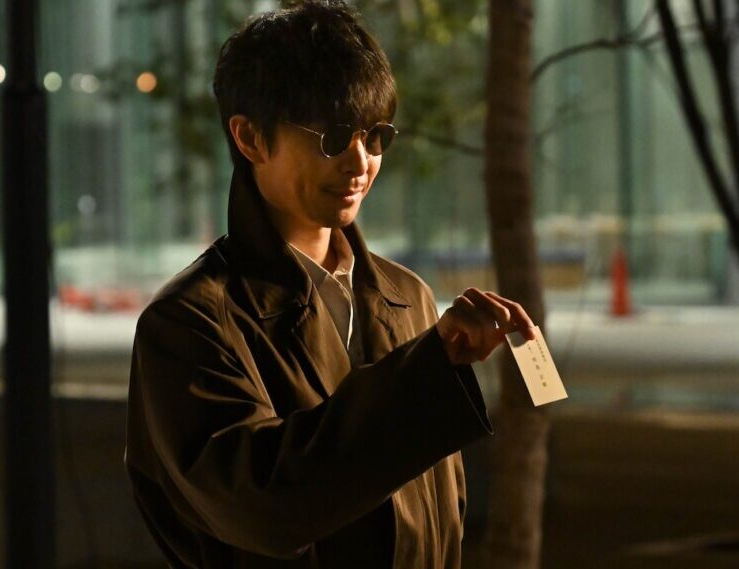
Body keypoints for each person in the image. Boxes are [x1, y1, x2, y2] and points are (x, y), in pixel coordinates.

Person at [125, 1, 536, 567]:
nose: (359, 162)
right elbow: (261, 505)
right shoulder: (189, 321)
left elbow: (445, 513)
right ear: (250, 138)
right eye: (333, 136)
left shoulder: (406, 296)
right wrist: (422, 374)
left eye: (375, 137)